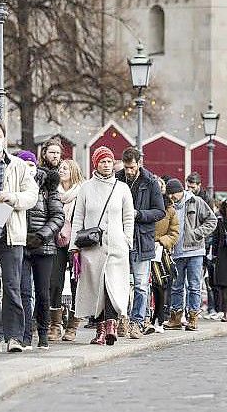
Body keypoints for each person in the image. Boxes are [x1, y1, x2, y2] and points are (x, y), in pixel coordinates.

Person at [0, 122, 39, 354]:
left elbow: (32, 195)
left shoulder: (18, 165)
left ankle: (14, 337)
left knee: (12, 286)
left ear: (4, 138)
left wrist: (12, 197)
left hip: (10, 233)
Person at [70, 146, 135, 346]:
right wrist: (74, 246)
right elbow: (78, 217)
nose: (106, 165)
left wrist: (127, 240)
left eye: (109, 161)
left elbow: (128, 217)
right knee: (96, 287)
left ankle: (111, 326)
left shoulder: (122, 188)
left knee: (113, 286)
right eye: (102, 161)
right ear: (96, 163)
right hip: (92, 247)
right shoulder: (86, 188)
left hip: (116, 246)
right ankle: (99, 329)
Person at [116, 147, 165, 339]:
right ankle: (122, 318)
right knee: (119, 282)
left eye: (132, 167)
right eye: (127, 167)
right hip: (121, 237)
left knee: (141, 284)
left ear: (139, 163)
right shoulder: (117, 179)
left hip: (142, 238)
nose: (129, 171)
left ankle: (137, 321)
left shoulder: (151, 181)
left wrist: (139, 214)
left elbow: (159, 211)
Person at [21, 150, 64, 349]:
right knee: (22, 291)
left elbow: (58, 216)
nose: (28, 168)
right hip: (19, 245)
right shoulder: (13, 186)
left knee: (42, 292)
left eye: (30, 164)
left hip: (43, 246)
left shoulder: (48, 188)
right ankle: (24, 333)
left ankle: (43, 333)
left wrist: (41, 236)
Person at [161, 179, 217, 331]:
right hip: (176, 253)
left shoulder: (196, 201)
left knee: (194, 286)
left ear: (180, 191)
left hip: (195, 251)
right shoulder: (168, 205)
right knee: (176, 286)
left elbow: (212, 220)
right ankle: (176, 318)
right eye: (169, 194)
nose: (171, 197)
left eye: (174, 194)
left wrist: (197, 233)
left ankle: (193, 317)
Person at [54, 159, 85, 342]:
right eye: (60, 168)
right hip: (56, 240)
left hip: (76, 242)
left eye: (65, 168)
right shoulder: (54, 191)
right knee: (54, 282)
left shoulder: (82, 192)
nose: (62, 170)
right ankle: (55, 325)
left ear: (74, 171)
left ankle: (72, 326)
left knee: (76, 283)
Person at [149, 176, 179, 334]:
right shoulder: (143, 204)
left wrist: (161, 241)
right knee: (141, 286)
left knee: (160, 285)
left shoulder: (170, 209)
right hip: (142, 247)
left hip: (160, 251)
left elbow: (174, 233)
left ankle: (159, 318)